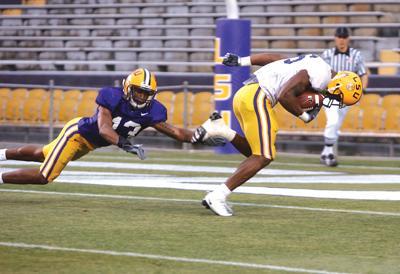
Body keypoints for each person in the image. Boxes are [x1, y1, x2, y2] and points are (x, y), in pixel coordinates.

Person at [192, 53, 363, 217]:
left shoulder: (315, 63)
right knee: (264, 156)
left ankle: (221, 130)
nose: (335, 101)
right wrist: (305, 116)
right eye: (339, 98)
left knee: (256, 153)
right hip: (258, 97)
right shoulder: (321, 75)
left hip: (245, 94)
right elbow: (284, 95)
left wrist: (242, 61)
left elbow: (276, 59)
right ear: (339, 85)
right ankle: (217, 196)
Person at [0, 68, 223, 185]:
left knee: (43, 154)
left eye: (146, 93)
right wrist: (125, 144)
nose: (141, 96)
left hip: (88, 146)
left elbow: (176, 133)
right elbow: (105, 129)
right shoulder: (111, 97)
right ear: (127, 87)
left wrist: (200, 135)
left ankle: (1, 154)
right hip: (77, 134)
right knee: (44, 176)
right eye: (138, 91)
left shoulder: (152, 111)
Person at [320, 27, 369, 167]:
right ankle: (329, 153)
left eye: (344, 37)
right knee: (333, 120)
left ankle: (325, 153)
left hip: (347, 96)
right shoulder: (327, 54)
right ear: (335, 37)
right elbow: (320, 72)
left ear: (348, 38)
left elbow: (363, 74)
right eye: (339, 37)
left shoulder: (356, 55)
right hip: (330, 93)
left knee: (337, 125)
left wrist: (362, 91)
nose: (341, 39)